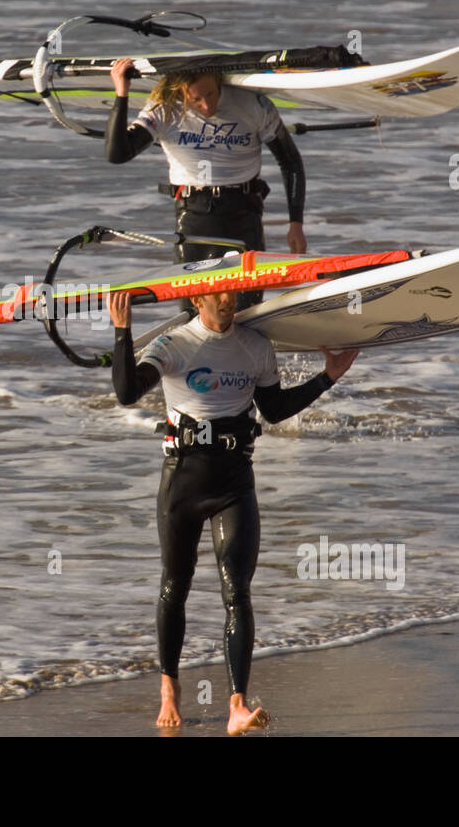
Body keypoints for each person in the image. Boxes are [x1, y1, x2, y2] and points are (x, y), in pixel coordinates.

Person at [107, 287, 358, 734]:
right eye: (216, 293)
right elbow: (127, 392)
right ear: (197, 300)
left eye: (231, 291)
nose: (227, 299)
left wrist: (327, 377)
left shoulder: (256, 346)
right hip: (182, 481)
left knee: (237, 590)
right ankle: (170, 688)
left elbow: (275, 410)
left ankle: (237, 706)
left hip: (234, 482)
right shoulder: (172, 344)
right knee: (174, 586)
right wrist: (122, 333)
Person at [105, 58, 307, 311]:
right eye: (196, 99)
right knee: (195, 312)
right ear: (179, 92)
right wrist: (121, 92)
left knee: (246, 310)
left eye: (211, 94)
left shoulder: (253, 105)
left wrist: (295, 224)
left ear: (218, 80)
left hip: (244, 216)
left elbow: (290, 161)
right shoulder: (164, 109)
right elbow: (117, 154)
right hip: (193, 218)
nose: (206, 104)